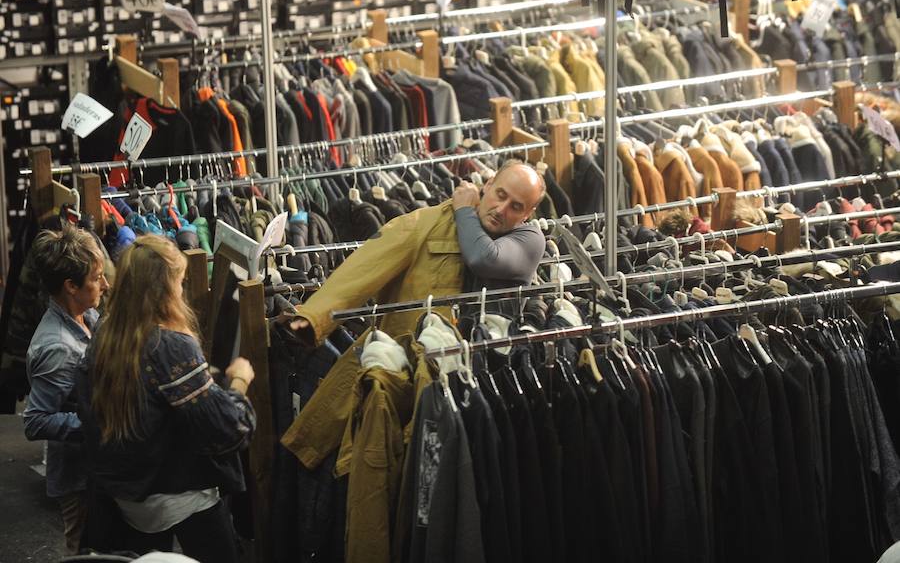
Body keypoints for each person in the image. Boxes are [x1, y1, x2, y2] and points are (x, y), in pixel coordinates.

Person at [75, 235, 256, 563]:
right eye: (180, 281)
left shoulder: (106, 332)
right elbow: (229, 428)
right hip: (177, 495)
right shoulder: (168, 344)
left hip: (129, 496)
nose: (182, 291)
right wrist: (239, 381)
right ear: (165, 287)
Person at [290, 160, 547, 344]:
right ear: (488, 184)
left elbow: (483, 257)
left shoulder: (529, 240)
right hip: (417, 357)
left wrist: (464, 210)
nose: (501, 209)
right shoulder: (430, 222)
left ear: (528, 214)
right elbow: (366, 264)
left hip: (489, 365)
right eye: (500, 194)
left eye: (515, 206)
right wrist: (315, 317)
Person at [23, 225, 109, 554]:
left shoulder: (85, 313)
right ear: (70, 286)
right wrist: (97, 423)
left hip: (95, 469)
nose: (105, 284)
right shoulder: (57, 347)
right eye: (97, 277)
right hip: (78, 480)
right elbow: (36, 420)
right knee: (85, 552)